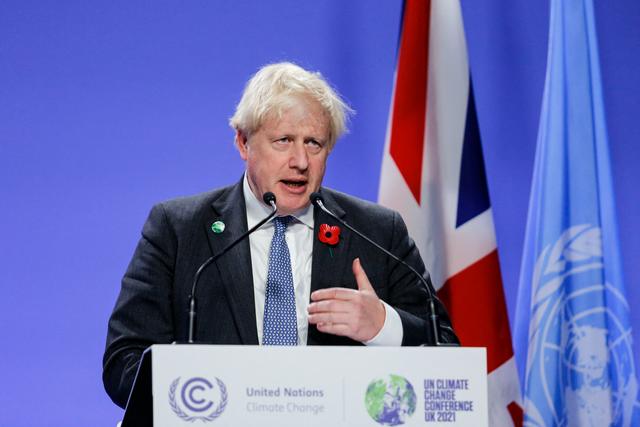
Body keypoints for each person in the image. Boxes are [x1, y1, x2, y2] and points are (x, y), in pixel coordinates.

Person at [103, 62, 458, 409]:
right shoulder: (179, 230)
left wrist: (382, 326)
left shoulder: (377, 232)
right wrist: (189, 387)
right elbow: (123, 360)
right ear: (243, 143)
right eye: (284, 141)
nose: (300, 161)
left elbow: (448, 353)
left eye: (314, 143)